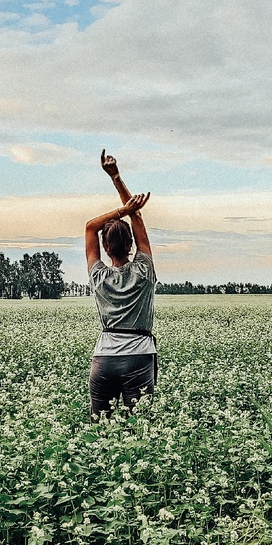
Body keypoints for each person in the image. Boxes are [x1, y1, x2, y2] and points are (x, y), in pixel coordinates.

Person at [85, 150, 157, 418]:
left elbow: (90, 227)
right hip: (139, 355)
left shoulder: (99, 276)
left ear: (104, 247)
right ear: (131, 245)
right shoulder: (143, 270)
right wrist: (117, 179)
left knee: (100, 429)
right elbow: (137, 218)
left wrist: (122, 211)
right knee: (139, 428)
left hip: (102, 360)